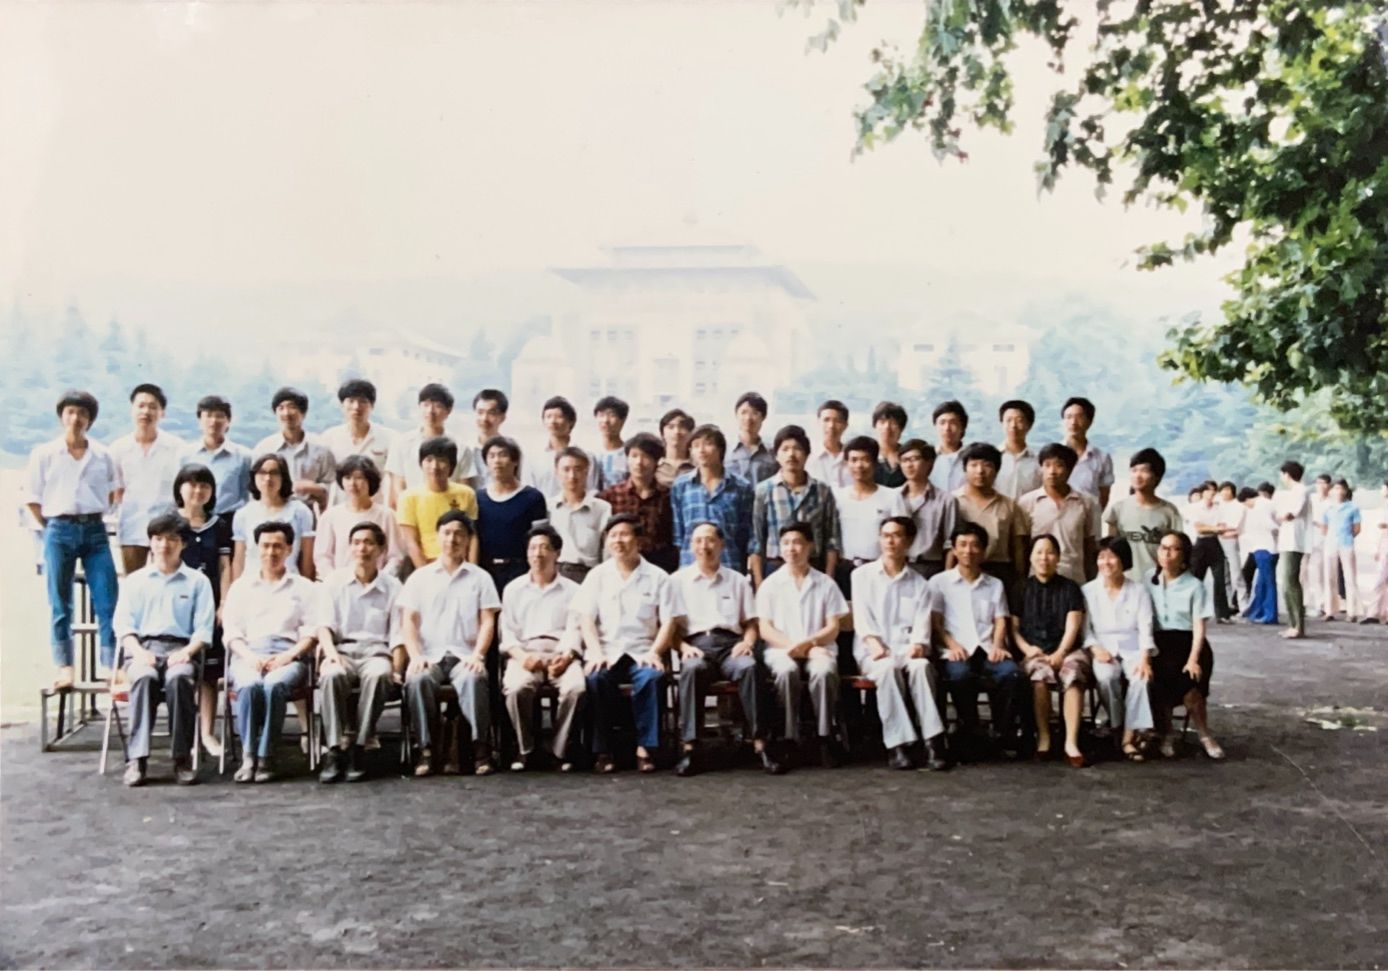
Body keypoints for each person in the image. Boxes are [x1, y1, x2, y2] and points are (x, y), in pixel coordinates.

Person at [112, 513, 215, 786]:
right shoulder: (135, 581)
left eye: (171, 539)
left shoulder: (197, 582)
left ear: (183, 544)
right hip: (143, 647)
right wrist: (138, 652)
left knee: (179, 678)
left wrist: (187, 652)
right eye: (158, 539)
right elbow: (123, 626)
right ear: (150, 542)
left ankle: (181, 758)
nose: (164, 545)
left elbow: (203, 629)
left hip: (181, 648)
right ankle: (137, 759)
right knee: (144, 677)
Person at [673, 522, 784, 776]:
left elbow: (751, 623)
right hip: (696, 646)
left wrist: (747, 642)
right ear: (691, 546)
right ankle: (690, 747)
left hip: (730, 646)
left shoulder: (736, 580)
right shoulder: (677, 581)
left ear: (721, 544)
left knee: (749, 667)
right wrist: (683, 647)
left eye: (710, 540)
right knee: (691, 670)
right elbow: (670, 627)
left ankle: (761, 744)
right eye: (698, 541)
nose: (704, 546)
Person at [575, 514, 683, 773]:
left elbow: (668, 621)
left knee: (652, 677)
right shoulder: (597, 576)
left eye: (624, 535)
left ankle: (645, 748)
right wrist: (595, 652)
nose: (618, 541)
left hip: (642, 650)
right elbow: (586, 619)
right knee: (595, 679)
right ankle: (604, 751)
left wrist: (655, 652)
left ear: (639, 541)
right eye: (613, 536)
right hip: (607, 650)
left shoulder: (658, 577)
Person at [27, 390, 120, 687]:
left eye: (82, 413)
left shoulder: (103, 455)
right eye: (70, 412)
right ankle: (64, 666)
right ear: (61, 416)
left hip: (94, 530)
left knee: (107, 598)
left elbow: (115, 491)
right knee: (59, 602)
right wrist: (54, 525)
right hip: (58, 529)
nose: (76, 418)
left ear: (90, 419)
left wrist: (94, 515)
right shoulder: (44, 454)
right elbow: (32, 498)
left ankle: (111, 665)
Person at [399, 511, 501, 777]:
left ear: (467, 539)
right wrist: (415, 655)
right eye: (446, 533)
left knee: (473, 678)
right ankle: (425, 749)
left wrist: (478, 655)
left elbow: (487, 621)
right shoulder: (420, 577)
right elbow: (409, 621)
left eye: (459, 534)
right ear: (437, 536)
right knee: (418, 679)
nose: (452, 539)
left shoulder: (480, 578)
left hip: (464, 655)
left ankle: (480, 749)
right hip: (429, 655)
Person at [222, 521, 323, 783]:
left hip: (288, 654)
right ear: (257, 549)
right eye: (265, 546)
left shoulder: (303, 587)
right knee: (249, 685)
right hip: (249, 653)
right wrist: (250, 657)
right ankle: (248, 755)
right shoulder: (241, 587)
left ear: (289, 549)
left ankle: (266, 755)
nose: (271, 552)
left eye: (278, 546)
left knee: (274, 685)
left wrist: (288, 656)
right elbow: (231, 631)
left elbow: (312, 631)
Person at [850, 517, 950, 771]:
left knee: (921, 667)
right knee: (887, 669)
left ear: (908, 541)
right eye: (885, 535)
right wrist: (873, 642)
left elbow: (921, 627)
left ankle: (932, 741)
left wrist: (918, 645)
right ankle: (899, 744)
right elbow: (862, 619)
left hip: (906, 650)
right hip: (873, 651)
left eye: (896, 536)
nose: (890, 541)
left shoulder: (920, 584)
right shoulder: (861, 576)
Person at [315, 522, 404, 783]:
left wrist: (397, 669)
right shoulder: (334, 582)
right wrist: (330, 654)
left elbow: (398, 635)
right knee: (331, 675)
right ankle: (334, 749)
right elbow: (323, 626)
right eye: (356, 543)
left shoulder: (393, 587)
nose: (362, 548)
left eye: (368, 543)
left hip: (376, 653)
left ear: (381, 549)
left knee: (379, 675)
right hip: (341, 649)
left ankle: (360, 746)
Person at [756, 523, 850, 768]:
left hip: (820, 647)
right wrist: (797, 647)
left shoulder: (825, 583)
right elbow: (765, 629)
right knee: (786, 671)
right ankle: (789, 737)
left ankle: (824, 736)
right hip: (781, 649)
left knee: (823, 671)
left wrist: (811, 644)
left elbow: (833, 627)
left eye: (797, 543)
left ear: (810, 547)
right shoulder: (770, 584)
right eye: (786, 543)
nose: (791, 548)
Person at [930, 523, 1023, 758]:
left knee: (1010, 673)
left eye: (974, 546)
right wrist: (951, 645)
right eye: (962, 545)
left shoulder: (994, 584)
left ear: (983, 551)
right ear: (954, 549)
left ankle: (1001, 733)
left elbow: (1000, 619)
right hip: (954, 649)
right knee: (959, 675)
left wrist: (998, 645)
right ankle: (970, 729)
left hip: (987, 647)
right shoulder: (939, 582)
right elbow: (936, 623)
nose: (968, 551)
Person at [498, 525, 586, 772]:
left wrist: (566, 656)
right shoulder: (513, 589)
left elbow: (575, 628)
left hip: (561, 652)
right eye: (533, 548)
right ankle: (525, 748)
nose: (538, 554)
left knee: (576, 688)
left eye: (545, 548)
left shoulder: (573, 590)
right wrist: (521, 657)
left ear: (557, 553)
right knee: (516, 688)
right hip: (525, 652)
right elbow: (507, 632)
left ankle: (560, 749)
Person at [1011, 534, 1089, 767]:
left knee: (1073, 674)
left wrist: (1061, 653)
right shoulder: (1020, 588)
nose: (1044, 558)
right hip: (1034, 650)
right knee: (1040, 675)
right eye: (1039, 552)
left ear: (1058, 557)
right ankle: (1044, 736)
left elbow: (1073, 625)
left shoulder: (1070, 588)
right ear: (1030, 557)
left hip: (1067, 649)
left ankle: (1071, 742)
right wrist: (1027, 649)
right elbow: (1013, 629)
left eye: (1050, 552)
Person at [172, 464, 233, 759]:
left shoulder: (219, 525)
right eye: (192, 484)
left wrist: (224, 603)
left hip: (211, 605)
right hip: (178, 606)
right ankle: (184, 734)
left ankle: (207, 732)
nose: (197, 491)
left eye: (204, 486)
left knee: (209, 673)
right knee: (180, 668)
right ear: (180, 488)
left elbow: (225, 566)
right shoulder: (170, 523)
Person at [1149, 531, 1225, 760]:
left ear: (1184, 555)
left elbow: (1199, 626)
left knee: (1192, 687)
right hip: (1158, 642)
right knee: (1157, 682)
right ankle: (1166, 733)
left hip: (1189, 642)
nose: (1167, 554)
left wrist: (1193, 658)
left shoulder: (1194, 586)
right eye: (1163, 548)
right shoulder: (1148, 580)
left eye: (1174, 549)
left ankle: (1204, 734)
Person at [1080, 537, 1157, 762]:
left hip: (1133, 647)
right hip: (1103, 647)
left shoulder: (1139, 591)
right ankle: (1117, 724)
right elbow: (1085, 629)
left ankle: (1127, 737)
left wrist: (1145, 658)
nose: (1106, 562)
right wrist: (1095, 648)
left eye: (1112, 557)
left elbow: (1145, 627)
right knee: (1106, 677)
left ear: (1123, 560)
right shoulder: (1088, 591)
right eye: (1101, 557)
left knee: (1140, 678)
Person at [749, 424, 841, 587]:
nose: (791, 454)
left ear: (807, 455)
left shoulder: (822, 491)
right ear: (776, 455)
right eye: (785, 449)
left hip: (814, 567)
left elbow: (832, 540)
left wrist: (829, 579)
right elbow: (757, 541)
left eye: (797, 449)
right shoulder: (764, 490)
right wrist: (759, 584)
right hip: (775, 567)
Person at [110, 383, 185, 574]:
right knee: (134, 581)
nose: (146, 411)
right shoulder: (118, 448)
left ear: (162, 413)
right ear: (132, 409)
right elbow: (116, 491)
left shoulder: (177, 448)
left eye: (153, 407)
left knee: (168, 579)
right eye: (141, 406)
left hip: (167, 527)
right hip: (132, 525)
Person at [671, 424, 754, 571]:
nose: (701, 450)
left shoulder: (741, 487)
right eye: (696, 445)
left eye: (708, 444)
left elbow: (745, 533)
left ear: (720, 449)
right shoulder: (681, 486)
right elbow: (679, 535)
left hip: (729, 565)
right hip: (690, 566)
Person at [949, 443, 1030, 591]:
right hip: (962, 569)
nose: (980, 471)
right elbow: (947, 545)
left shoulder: (1009, 505)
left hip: (1000, 571)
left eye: (987, 465)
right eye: (974, 465)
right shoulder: (953, 501)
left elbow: (1018, 547)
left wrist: (1020, 579)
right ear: (965, 469)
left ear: (997, 470)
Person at [1017, 442, 1099, 585]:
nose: (1052, 471)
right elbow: (1021, 547)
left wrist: (1091, 582)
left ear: (1070, 469)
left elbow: (1090, 546)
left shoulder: (1086, 503)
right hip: (1038, 581)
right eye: (1047, 465)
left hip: (1074, 579)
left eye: (1059, 465)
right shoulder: (1027, 502)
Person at [476, 436, 549, 594]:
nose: (497, 461)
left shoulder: (533, 498)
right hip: (485, 572)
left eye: (503, 455)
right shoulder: (478, 498)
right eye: (491, 456)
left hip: (521, 571)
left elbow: (540, 538)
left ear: (515, 461)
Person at [598, 432, 677, 573]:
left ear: (657, 461)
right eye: (634, 456)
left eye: (646, 457)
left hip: (659, 567)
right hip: (620, 565)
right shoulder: (610, 496)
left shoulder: (668, 496)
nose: (639, 462)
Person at [397, 436, 480, 568]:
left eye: (442, 460)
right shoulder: (408, 497)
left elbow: (472, 536)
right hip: (426, 564)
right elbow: (411, 542)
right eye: (429, 460)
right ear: (421, 464)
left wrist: (472, 568)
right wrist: (426, 573)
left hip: (460, 564)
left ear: (451, 465)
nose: (434, 466)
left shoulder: (466, 494)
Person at [1102, 448, 1183, 582]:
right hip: (1125, 582)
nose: (1137, 475)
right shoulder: (1117, 509)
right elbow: (1110, 550)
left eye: (1144, 471)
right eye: (1134, 470)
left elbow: (1177, 551)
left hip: (1156, 582)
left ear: (1157, 477)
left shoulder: (1169, 512)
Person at [314, 456, 403, 577]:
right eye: (347, 478)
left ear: (370, 481)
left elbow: (395, 556)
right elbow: (322, 557)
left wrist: (380, 579)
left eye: (359, 478)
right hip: (340, 582)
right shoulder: (330, 516)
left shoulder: (387, 515)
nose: (352, 483)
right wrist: (335, 580)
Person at [231, 453, 316, 580]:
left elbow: (307, 559)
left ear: (283, 477)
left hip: (290, 580)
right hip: (252, 582)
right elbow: (239, 560)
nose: (268, 478)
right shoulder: (243, 514)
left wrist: (306, 586)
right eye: (262, 472)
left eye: (274, 473)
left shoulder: (300, 511)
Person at [387, 384, 477, 503]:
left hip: (448, 510)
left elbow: (464, 490)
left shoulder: (461, 447)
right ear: (419, 407)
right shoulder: (402, 443)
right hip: (412, 510)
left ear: (448, 410)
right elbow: (398, 486)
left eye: (438, 406)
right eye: (426, 405)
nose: (430, 411)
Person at [253, 387, 336, 514]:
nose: (286, 413)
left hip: (310, 511)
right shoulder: (265, 448)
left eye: (292, 407)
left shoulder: (321, 448)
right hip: (272, 511)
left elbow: (332, 485)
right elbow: (254, 487)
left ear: (303, 413)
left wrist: (312, 488)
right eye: (281, 408)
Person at [833, 436, 909, 572]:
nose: (859, 465)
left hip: (880, 569)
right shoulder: (838, 497)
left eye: (865, 459)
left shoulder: (892, 497)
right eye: (854, 460)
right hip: (844, 567)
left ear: (875, 463)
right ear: (846, 464)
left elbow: (902, 535)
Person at [320, 379, 396, 503]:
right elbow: (324, 478)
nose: (356, 407)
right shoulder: (329, 438)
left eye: (363, 401)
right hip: (340, 506)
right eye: (351, 401)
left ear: (372, 405)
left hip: (376, 506)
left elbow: (394, 479)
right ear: (342, 405)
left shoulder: (389, 438)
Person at [182, 394, 252, 519]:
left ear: (228, 421)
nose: (213, 421)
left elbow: (247, 496)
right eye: (208, 415)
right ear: (200, 420)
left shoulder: (244, 456)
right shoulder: (186, 455)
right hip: (193, 520)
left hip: (230, 520)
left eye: (219, 416)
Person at [548, 447, 612, 583]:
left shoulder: (602, 508)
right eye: (566, 469)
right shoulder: (548, 507)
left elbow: (607, 552)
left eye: (577, 469)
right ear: (557, 472)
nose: (572, 476)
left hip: (588, 576)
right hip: (554, 574)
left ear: (587, 471)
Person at [898, 439, 957, 579]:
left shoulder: (946, 500)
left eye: (915, 459)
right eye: (904, 460)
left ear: (929, 463)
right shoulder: (893, 497)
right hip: (898, 565)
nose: (909, 465)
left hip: (931, 567)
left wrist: (947, 577)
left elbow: (950, 544)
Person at [523, 396, 599, 499]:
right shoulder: (534, 458)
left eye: (559, 416)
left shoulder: (587, 456)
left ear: (571, 421)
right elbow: (529, 491)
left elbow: (591, 491)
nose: (553, 421)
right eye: (548, 417)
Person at [1273, 460, 1312, 639]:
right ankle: (1292, 623)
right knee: (1287, 583)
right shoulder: (1292, 492)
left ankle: (1298, 625)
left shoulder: (1300, 490)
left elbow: (1291, 514)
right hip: (1288, 540)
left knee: (1291, 582)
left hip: (1295, 540)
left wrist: (1281, 516)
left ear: (1287, 474)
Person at [1318, 479, 1364, 622]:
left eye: (1340, 488)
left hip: (1346, 543)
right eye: (1335, 488)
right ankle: (1329, 610)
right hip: (1330, 543)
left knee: (1350, 577)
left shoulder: (1353, 508)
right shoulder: (1328, 508)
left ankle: (1352, 611)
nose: (1337, 491)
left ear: (1345, 491)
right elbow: (1324, 528)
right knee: (1329, 577)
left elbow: (1357, 528)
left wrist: (1347, 536)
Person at [1189, 481, 1235, 622]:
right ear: (1202, 492)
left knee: (1220, 579)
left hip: (1214, 543)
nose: (1212, 493)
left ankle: (1222, 614)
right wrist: (1214, 528)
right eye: (1208, 490)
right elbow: (1199, 528)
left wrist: (1214, 528)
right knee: (1196, 579)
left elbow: (1222, 526)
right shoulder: (1195, 507)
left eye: (1213, 490)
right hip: (1200, 544)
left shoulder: (1218, 508)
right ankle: (1191, 611)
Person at [1061, 396, 1114, 509]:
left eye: (1079, 417)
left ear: (1090, 421)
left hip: (1088, 515)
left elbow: (1104, 496)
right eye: (1068, 417)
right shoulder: (1052, 454)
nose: (1073, 422)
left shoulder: (1102, 458)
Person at [1241, 484, 1281, 625]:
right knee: (1262, 583)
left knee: (1267, 583)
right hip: (1269, 547)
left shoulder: (1259, 507)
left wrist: (1277, 531)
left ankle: (1270, 614)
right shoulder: (1268, 503)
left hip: (1264, 547)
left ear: (1247, 500)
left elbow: (1268, 524)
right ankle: (1258, 611)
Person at [728, 391, 778, 486]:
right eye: (743, 412)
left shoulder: (773, 453)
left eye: (755, 413)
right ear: (736, 415)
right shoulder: (725, 451)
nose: (748, 418)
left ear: (763, 417)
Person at [996, 400, 1042, 500]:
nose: (1013, 425)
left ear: (1029, 425)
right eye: (1008, 420)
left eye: (1019, 420)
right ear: (1002, 423)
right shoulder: (992, 457)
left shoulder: (1039, 460)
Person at [1305, 473, 1334, 616]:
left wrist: (1318, 524)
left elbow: (1330, 524)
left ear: (1329, 485)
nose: (1320, 486)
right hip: (1307, 539)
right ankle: (1304, 602)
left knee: (1320, 573)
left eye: (1323, 483)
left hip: (1323, 540)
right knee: (1303, 572)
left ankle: (1320, 604)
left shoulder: (1332, 503)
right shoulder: (1311, 499)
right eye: (1318, 483)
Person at [1217, 481, 1248, 612]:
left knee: (1236, 573)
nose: (1225, 492)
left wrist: (1223, 528)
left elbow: (1236, 526)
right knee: (1223, 575)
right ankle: (1229, 604)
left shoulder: (1239, 506)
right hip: (1217, 539)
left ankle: (1244, 605)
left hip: (1231, 540)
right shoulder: (1218, 505)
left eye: (1227, 490)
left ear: (1232, 491)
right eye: (1222, 490)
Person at [471, 389, 510, 489]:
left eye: (491, 413)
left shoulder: (512, 450)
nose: (484, 418)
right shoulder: (467, 450)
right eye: (480, 412)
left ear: (502, 417)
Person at [808, 399, 851, 488]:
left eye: (838, 421)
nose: (831, 425)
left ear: (845, 425)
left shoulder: (852, 458)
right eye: (826, 420)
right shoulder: (808, 456)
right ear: (818, 422)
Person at [928, 400, 969, 492]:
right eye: (942, 423)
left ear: (962, 427)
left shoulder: (971, 458)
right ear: (935, 426)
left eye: (953, 423)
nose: (947, 428)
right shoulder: (928, 457)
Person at [592, 396, 630, 487]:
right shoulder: (591, 453)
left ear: (623, 420)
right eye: (601, 415)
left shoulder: (628, 454)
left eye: (612, 415)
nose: (605, 420)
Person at [656, 408, 696, 488]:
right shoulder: (654, 466)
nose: (677, 432)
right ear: (662, 433)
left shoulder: (699, 466)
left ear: (691, 433)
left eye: (682, 427)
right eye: (671, 427)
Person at [872, 401, 908, 487]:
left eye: (893, 423)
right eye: (882, 422)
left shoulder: (908, 455)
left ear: (901, 428)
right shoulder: (867, 454)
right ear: (875, 425)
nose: (887, 427)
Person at [1371, 480, 1388, 624]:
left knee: (1381, 579)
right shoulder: (1384, 506)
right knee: (1382, 579)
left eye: (1383, 488)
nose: (1381, 491)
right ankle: (1379, 611)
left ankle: (1377, 611)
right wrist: (1376, 548)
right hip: (1384, 545)